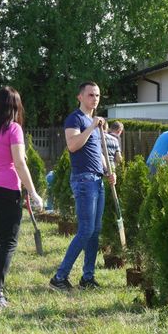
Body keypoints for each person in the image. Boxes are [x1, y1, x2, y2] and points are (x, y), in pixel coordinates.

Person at [0, 86, 43, 307]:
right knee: (8, 243)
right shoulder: (13, 129)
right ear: (15, 107)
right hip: (6, 191)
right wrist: (33, 193)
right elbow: (20, 163)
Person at [49, 81, 116, 291]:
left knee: (95, 231)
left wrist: (108, 171)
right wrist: (91, 126)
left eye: (97, 95)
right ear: (80, 97)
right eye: (90, 95)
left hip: (97, 180)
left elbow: (98, 153)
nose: (94, 99)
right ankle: (59, 277)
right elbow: (73, 145)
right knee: (86, 229)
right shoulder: (75, 119)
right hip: (84, 180)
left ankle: (88, 277)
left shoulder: (94, 124)